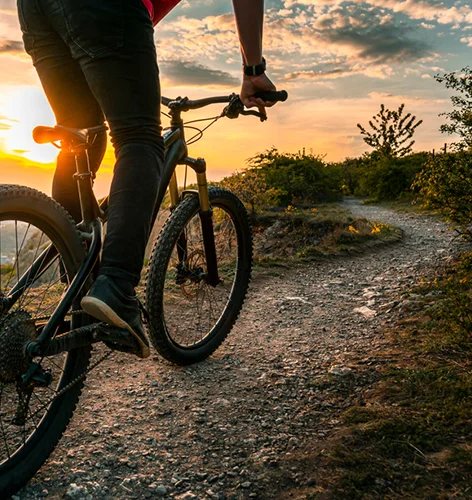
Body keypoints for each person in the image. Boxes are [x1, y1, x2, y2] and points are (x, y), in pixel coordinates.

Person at [18, 0, 279, 358]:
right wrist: (252, 69)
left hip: (39, 9)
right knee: (139, 138)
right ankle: (117, 288)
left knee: (83, 135)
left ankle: (77, 280)